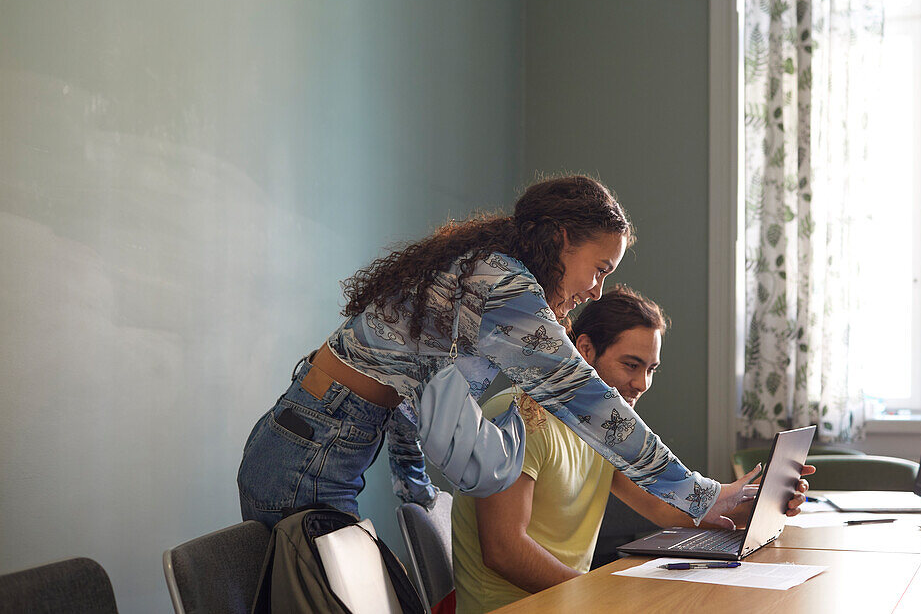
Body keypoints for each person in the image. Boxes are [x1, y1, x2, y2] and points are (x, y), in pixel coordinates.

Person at [237, 175, 775, 531]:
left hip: (315, 436)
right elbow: (585, 397)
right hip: (310, 453)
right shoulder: (502, 284)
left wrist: (418, 492)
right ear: (563, 238)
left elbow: (404, 387)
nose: (596, 290)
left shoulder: (487, 266)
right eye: (600, 269)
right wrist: (701, 492)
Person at [450, 287, 813, 613]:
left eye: (651, 369)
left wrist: (763, 503)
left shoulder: (603, 427)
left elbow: (662, 508)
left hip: (569, 601)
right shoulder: (515, 417)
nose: (641, 384)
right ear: (585, 349)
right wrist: (596, 597)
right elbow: (504, 549)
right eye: (631, 365)